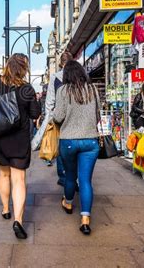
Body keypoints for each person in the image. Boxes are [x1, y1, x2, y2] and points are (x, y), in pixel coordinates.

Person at [0, 54, 41, 240]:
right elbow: (35, 113)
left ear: (7, 66)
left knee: (3, 174)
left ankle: (6, 209)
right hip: (19, 139)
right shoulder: (27, 88)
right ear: (24, 69)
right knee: (19, 179)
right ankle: (18, 220)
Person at [53, 60, 100, 235]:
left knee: (70, 176)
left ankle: (68, 202)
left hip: (69, 141)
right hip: (90, 141)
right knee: (86, 180)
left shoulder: (63, 90)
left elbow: (58, 117)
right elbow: (97, 115)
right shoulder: (93, 89)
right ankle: (85, 219)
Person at [32, 51, 73, 178]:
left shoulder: (55, 77)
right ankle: (73, 177)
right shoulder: (79, 76)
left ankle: (63, 177)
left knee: (61, 147)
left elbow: (50, 103)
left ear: (61, 64)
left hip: (59, 118)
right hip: (75, 118)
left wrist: (49, 121)